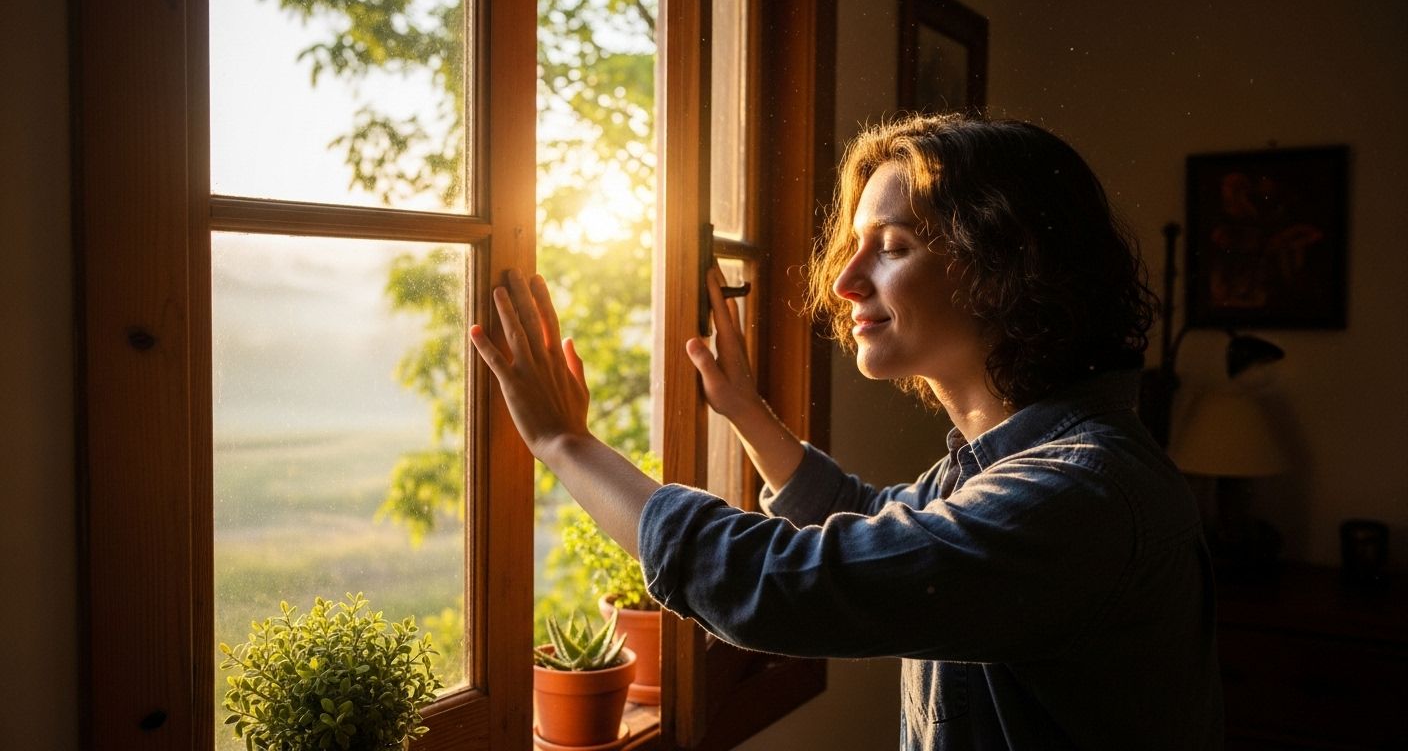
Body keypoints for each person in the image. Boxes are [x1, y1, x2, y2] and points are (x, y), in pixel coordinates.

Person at [469, 114, 1224, 750]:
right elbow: (878, 527)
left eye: (893, 247)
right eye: (855, 244)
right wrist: (747, 412)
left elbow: (782, 585)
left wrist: (566, 443)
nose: (844, 279)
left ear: (1006, 265)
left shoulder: (1080, 494)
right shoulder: (1015, 465)